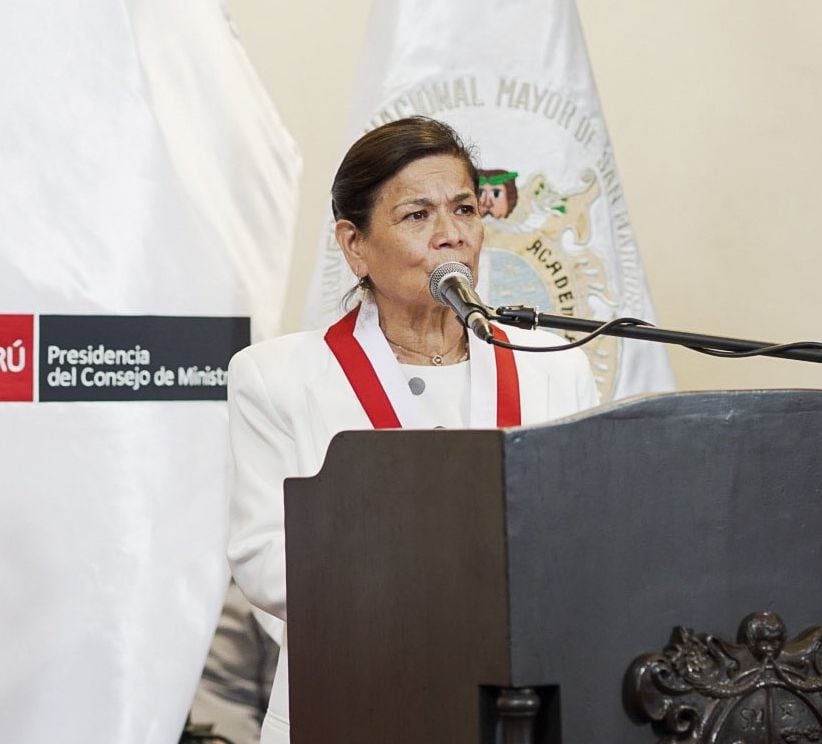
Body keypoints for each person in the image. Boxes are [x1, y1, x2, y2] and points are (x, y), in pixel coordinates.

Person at [225, 116, 600, 744]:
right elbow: (265, 561)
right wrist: (444, 567)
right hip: (355, 700)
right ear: (355, 245)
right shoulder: (276, 376)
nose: (451, 236)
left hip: (523, 707)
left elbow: (592, 535)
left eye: (464, 209)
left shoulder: (555, 365)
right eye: (417, 216)